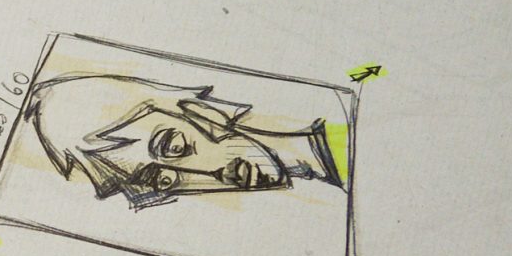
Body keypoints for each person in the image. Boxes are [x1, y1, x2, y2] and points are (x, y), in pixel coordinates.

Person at [24, 74, 346, 210]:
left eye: (175, 148)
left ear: (200, 112)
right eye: (162, 179)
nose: (212, 174)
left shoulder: (348, 128)